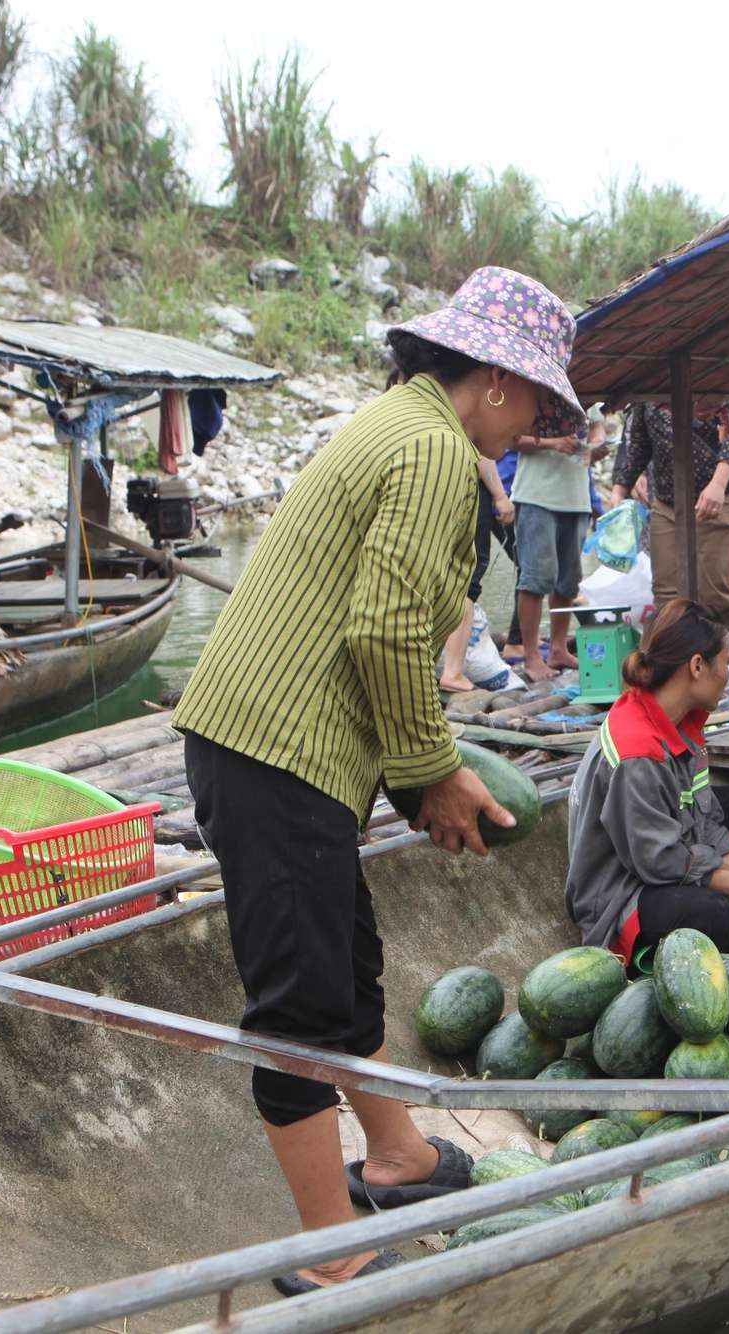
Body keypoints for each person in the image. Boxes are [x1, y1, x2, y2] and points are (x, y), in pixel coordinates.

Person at [175, 266, 582, 1294]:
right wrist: (434, 773)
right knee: (300, 1002)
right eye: (535, 397)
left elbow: (386, 622)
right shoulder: (432, 452)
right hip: (274, 749)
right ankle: (329, 1251)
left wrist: (409, 780)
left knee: (343, 954)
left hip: (295, 749)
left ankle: (393, 1155)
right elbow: (387, 633)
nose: (535, 420)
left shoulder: (408, 429)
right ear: (492, 378)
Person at [565, 599, 729, 968]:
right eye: (727, 663)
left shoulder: (683, 714)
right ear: (697, 666)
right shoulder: (638, 752)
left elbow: (704, 815)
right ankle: (664, 952)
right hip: (621, 890)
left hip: (671, 843)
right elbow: (659, 860)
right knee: (709, 915)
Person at [613, 403, 729, 701]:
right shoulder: (647, 387)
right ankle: (676, 678)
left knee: (717, 592)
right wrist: (619, 489)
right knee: (667, 595)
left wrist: (718, 484)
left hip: (718, 492)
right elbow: (639, 443)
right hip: (667, 499)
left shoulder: (718, 374)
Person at [509, 406, 600, 683]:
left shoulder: (587, 395)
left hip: (576, 498)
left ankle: (559, 649)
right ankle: (531, 655)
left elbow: (597, 428)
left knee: (569, 579)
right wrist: (553, 443)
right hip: (536, 496)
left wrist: (595, 447)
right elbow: (510, 437)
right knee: (536, 577)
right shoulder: (534, 392)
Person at [439, 454, 516, 693]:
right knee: (468, 580)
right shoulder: (471, 420)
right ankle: (453, 671)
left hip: (447, 491)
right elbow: (482, 452)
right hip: (471, 492)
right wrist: (500, 495)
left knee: (448, 576)